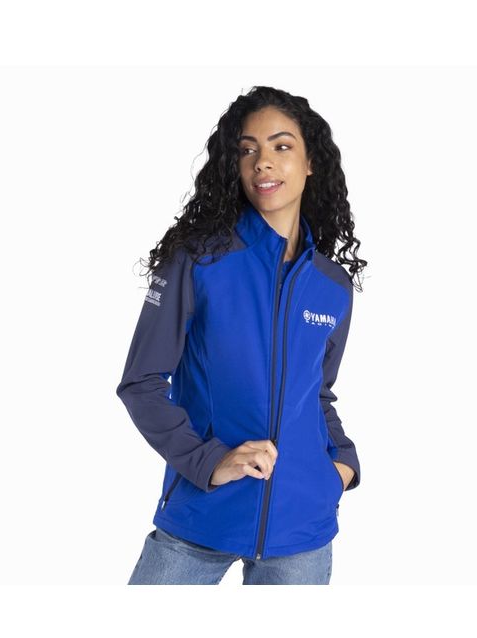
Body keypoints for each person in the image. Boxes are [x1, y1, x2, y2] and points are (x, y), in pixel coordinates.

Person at [116, 85, 368, 585]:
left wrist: (342, 462)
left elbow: (316, 394)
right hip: (201, 513)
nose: (262, 162)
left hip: (303, 529)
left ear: (311, 162)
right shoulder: (199, 260)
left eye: (281, 146)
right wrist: (207, 461)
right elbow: (141, 384)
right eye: (247, 149)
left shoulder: (331, 286)